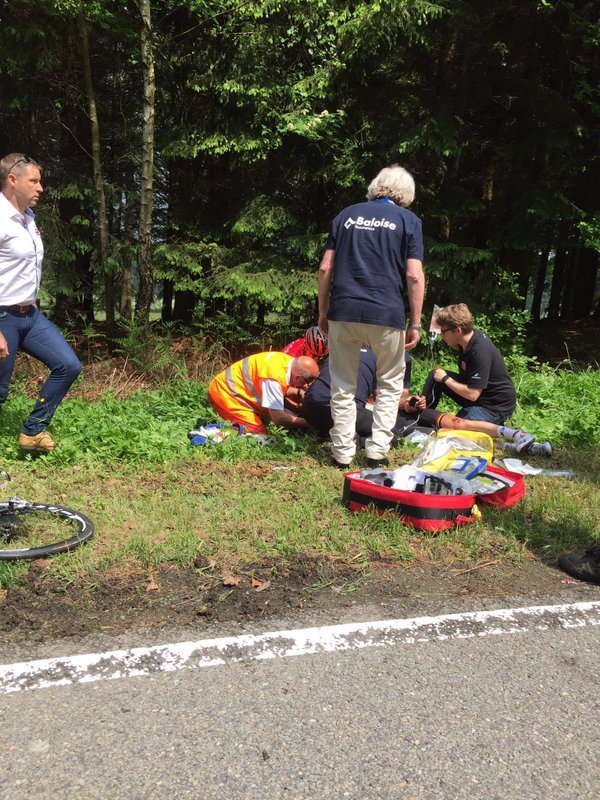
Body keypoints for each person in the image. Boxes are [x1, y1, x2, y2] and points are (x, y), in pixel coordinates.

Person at [318, 164, 425, 468]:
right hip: (386, 313)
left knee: (342, 383)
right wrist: (415, 322)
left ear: (376, 186)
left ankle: (341, 452)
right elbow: (414, 275)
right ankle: (377, 450)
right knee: (390, 382)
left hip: (344, 310)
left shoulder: (346, 215)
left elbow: (326, 267)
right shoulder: (409, 221)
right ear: (405, 194)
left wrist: (323, 312)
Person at [0, 153, 82, 453]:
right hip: (2, 318)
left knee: (68, 365)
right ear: (12, 179)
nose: (40, 187)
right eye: (33, 180)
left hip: (29, 316)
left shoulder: (29, 219)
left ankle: (33, 432)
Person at [415, 303, 516, 425]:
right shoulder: (467, 339)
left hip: (493, 407)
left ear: (458, 330)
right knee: (435, 375)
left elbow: (473, 394)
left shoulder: (479, 351)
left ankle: (497, 423)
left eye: (443, 331)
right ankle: (422, 411)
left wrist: (446, 379)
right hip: (477, 394)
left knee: (454, 426)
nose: (441, 334)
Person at [302, 349, 414, 441]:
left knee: (334, 418)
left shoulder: (339, 349)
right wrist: (405, 404)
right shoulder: (379, 358)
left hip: (309, 408)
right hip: (343, 411)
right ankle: (356, 442)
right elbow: (380, 401)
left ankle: (328, 434)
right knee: (392, 436)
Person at [208, 351, 319, 434]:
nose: (306, 386)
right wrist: (309, 423)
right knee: (259, 434)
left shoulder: (288, 361)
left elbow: (276, 391)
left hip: (236, 390)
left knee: (291, 414)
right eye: (306, 383)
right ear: (298, 377)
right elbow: (279, 418)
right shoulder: (273, 378)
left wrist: (298, 392)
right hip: (224, 395)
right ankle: (213, 431)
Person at [395, 404, 553, 456]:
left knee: (459, 423)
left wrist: (407, 403)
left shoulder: (397, 357)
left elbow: (401, 394)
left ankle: (518, 434)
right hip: (396, 424)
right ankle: (522, 448)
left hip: (408, 411)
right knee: (448, 437)